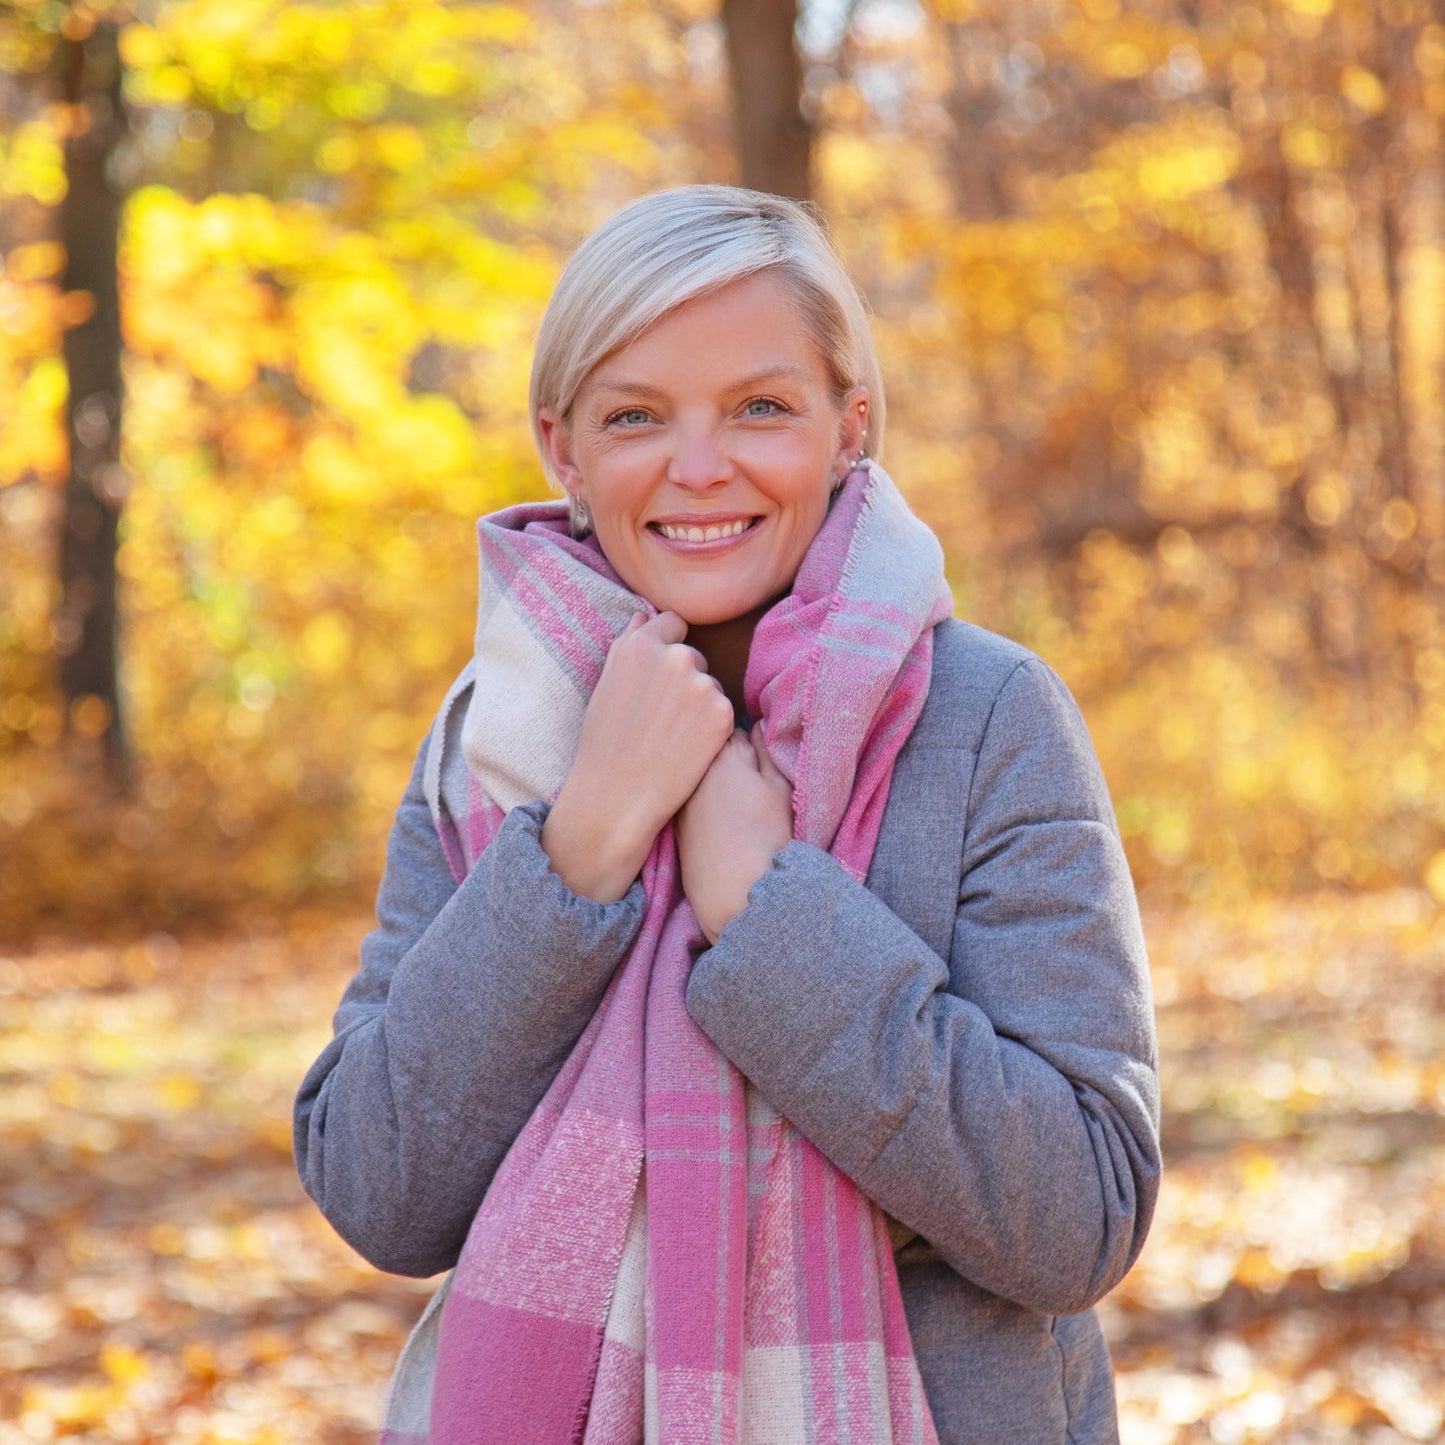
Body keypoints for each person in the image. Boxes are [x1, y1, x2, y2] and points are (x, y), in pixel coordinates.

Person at [294, 185, 1160, 1445]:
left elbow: (1080, 1213)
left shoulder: (987, 718)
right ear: (563, 449)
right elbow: (379, 1188)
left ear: (847, 427)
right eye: (636, 415)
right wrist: (582, 846)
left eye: (760, 406)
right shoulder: (493, 744)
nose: (699, 466)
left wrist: (769, 915)